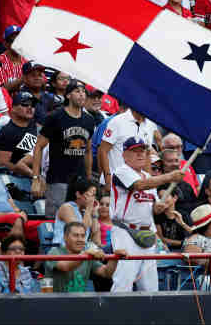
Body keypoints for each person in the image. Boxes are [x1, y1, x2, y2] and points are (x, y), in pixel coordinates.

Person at [108, 137, 183, 292]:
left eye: (142, 150)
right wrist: (169, 176)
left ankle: (150, 316)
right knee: (124, 280)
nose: (140, 154)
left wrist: (159, 207)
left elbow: (153, 208)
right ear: (124, 155)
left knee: (150, 285)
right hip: (125, 231)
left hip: (147, 232)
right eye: (135, 151)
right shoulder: (121, 172)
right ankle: (115, 315)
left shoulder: (148, 177)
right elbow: (138, 186)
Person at [31, 81, 99, 218]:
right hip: (58, 178)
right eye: (77, 91)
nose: (81, 95)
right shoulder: (56, 117)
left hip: (79, 181)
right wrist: (35, 177)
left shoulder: (89, 120)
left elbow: (88, 151)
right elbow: (38, 146)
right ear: (68, 95)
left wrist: (88, 177)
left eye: (83, 92)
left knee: (78, 221)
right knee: (56, 220)